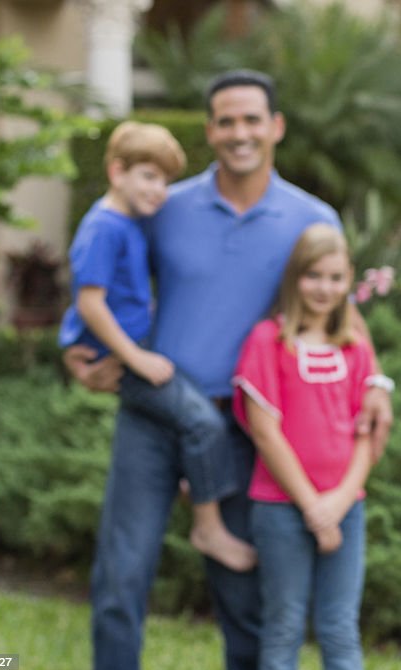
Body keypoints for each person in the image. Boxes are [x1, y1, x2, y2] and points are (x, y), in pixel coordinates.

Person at [64, 70, 394, 670]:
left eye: (251, 120)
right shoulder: (165, 206)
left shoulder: (309, 217)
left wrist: (377, 384)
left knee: (243, 597)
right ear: (210, 130)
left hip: (249, 428)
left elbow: (342, 312)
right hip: (157, 414)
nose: (239, 133)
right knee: (121, 575)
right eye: (225, 121)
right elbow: (104, 275)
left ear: (275, 127)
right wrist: (80, 351)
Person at [58, 120, 257, 573]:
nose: (159, 190)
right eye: (148, 176)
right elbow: (89, 304)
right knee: (203, 423)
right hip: (120, 356)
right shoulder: (104, 227)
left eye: (165, 180)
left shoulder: (129, 222)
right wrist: (136, 359)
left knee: (198, 425)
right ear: (116, 172)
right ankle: (207, 525)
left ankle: (198, 479)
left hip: (130, 349)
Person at [233, 223, 377, 670]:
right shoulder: (268, 341)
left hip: (346, 509)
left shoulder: (353, 348)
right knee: (284, 627)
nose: (324, 288)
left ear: (348, 281)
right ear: (295, 278)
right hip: (280, 509)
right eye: (314, 275)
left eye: (336, 278)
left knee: (339, 627)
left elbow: (367, 432)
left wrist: (338, 501)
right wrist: (314, 508)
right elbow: (265, 431)